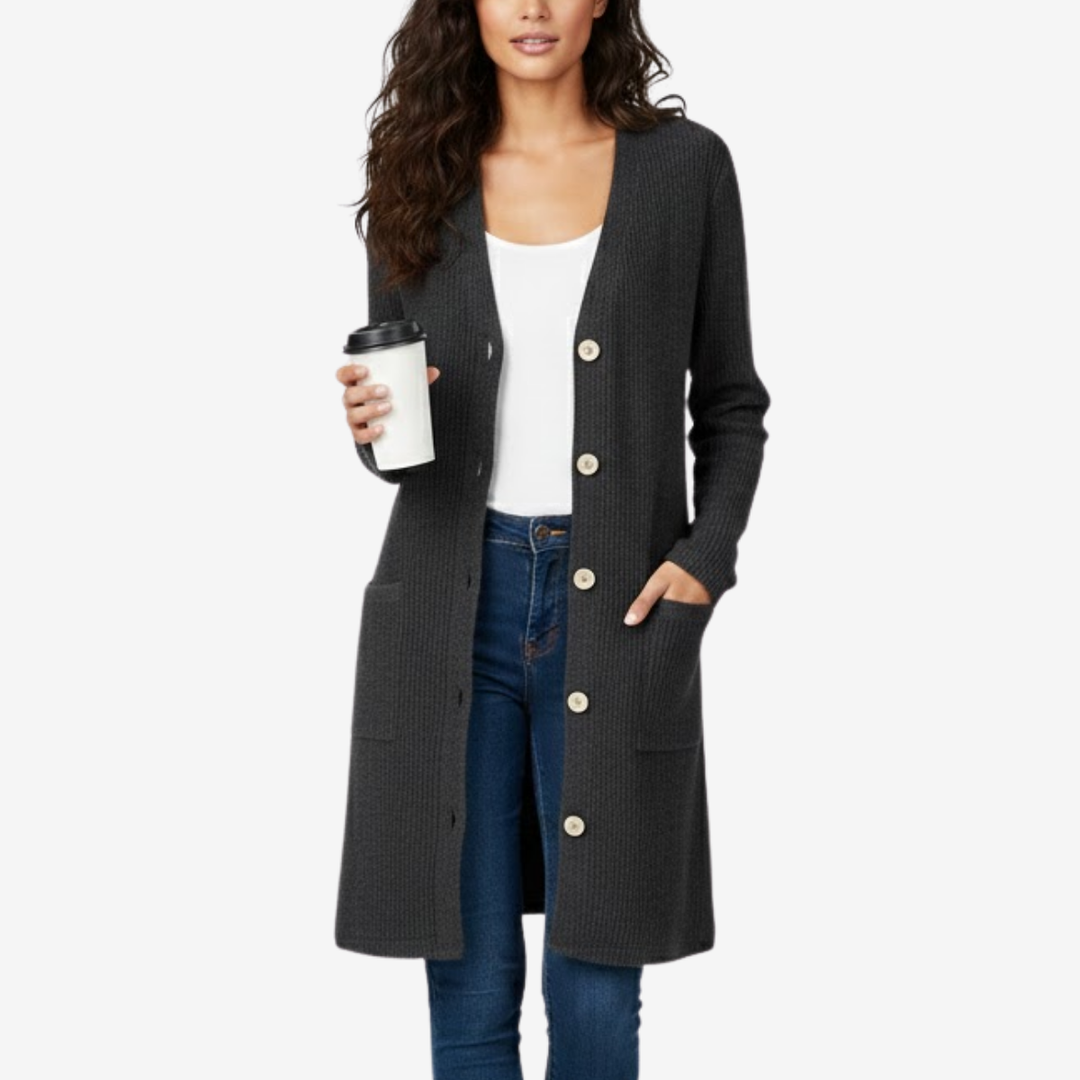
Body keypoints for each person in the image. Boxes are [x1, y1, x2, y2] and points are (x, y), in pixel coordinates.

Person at [333, 2, 771, 1078]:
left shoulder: (684, 170)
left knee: (595, 983)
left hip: (620, 608)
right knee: (470, 984)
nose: (532, 7)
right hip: (449, 609)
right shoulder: (417, 174)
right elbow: (403, 448)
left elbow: (730, 403)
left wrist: (703, 562)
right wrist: (373, 428)